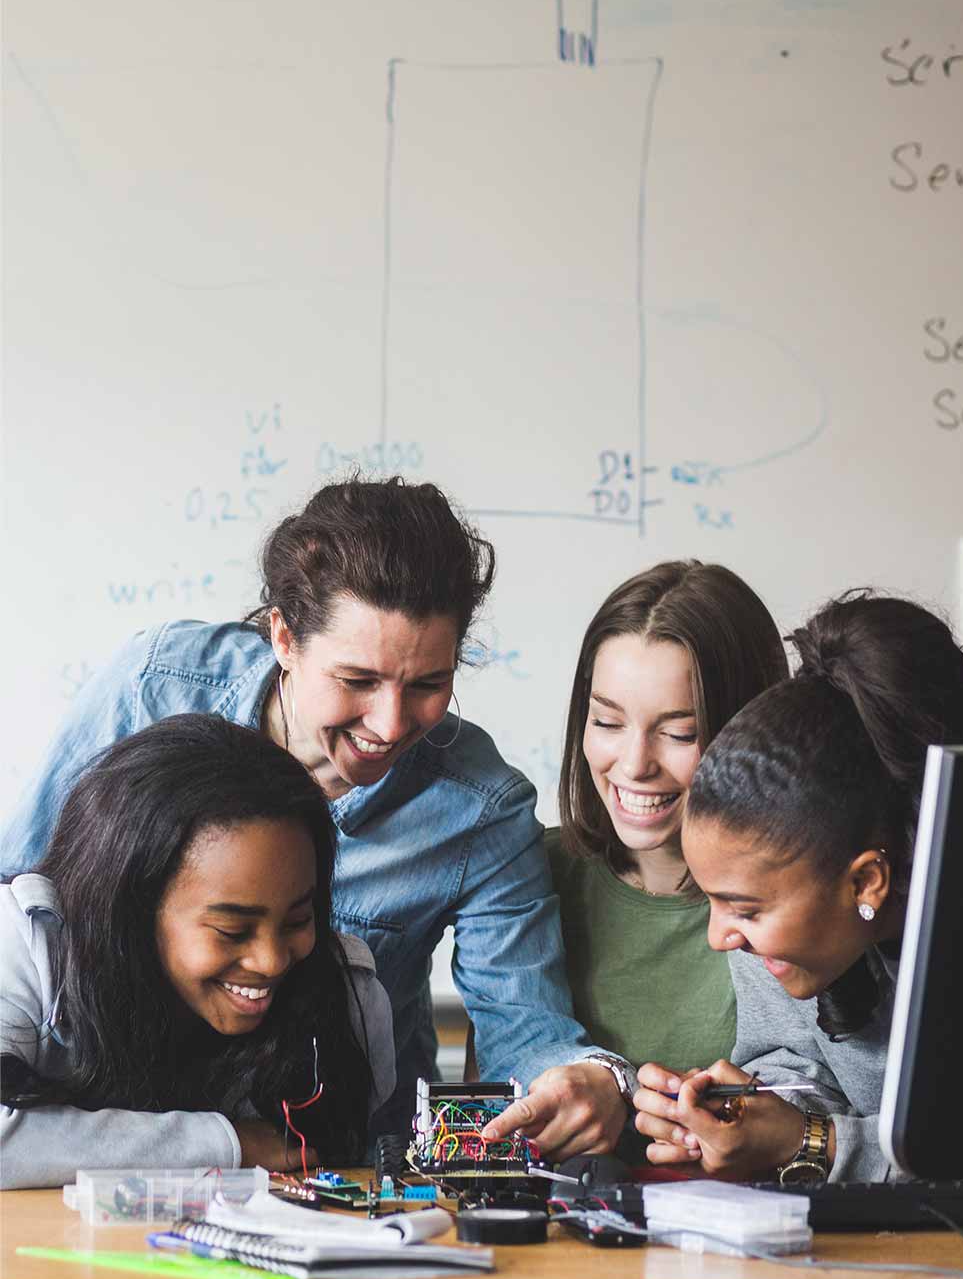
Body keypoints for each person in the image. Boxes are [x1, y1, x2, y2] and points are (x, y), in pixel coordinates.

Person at [0, 477, 632, 1157]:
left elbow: (527, 1036)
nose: (390, 725)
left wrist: (596, 1082)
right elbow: (22, 898)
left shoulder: (479, 806)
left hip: (331, 1152)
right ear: (284, 637)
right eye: (357, 681)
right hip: (91, 1143)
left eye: (427, 684)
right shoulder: (155, 687)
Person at [632, 591, 963, 1183]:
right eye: (712, 900)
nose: (720, 935)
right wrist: (753, 1118)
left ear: (867, 882)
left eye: (744, 910)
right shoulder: (777, 935)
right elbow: (797, 1063)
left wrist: (816, 1143)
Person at [1, 714, 394, 1189]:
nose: (271, 961)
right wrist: (230, 1144)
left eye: (298, 920)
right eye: (231, 930)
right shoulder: (23, 943)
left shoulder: (348, 1001)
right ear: (130, 911)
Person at [546, 562, 788, 1090]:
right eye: (607, 722)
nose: (635, 764)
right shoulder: (532, 877)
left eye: (680, 733)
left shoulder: (803, 903)